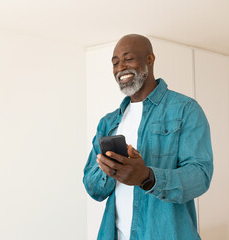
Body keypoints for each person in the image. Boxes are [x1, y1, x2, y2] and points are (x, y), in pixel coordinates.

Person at [83, 34, 213, 240]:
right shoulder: (107, 123)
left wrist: (147, 177)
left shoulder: (185, 109)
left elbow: (200, 176)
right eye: (115, 63)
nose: (120, 68)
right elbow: (93, 189)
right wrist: (109, 170)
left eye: (128, 58)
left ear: (150, 59)